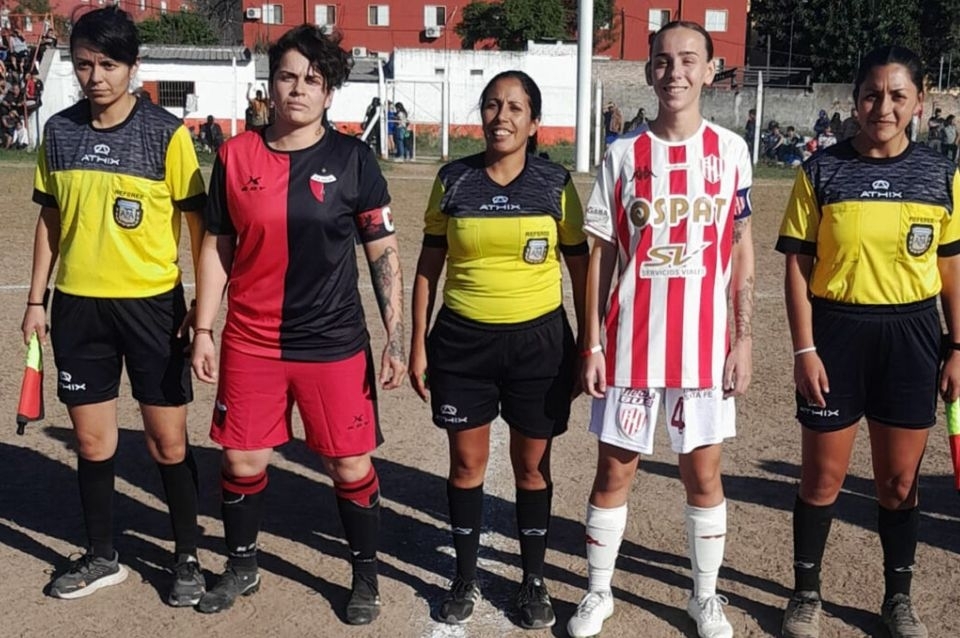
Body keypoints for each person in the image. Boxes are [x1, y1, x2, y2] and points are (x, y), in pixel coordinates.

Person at [191, 24, 405, 625]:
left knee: (349, 465)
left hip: (332, 343)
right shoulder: (235, 156)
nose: (299, 89)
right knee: (242, 461)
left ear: (329, 91)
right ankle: (242, 565)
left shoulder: (352, 159)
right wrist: (204, 328)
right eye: (288, 76)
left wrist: (394, 337)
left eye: (313, 79)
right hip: (252, 340)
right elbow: (218, 245)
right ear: (271, 84)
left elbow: (382, 248)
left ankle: (365, 575)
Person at [567, 20, 754, 638]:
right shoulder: (622, 155)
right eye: (664, 61)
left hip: (703, 350)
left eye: (688, 60)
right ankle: (598, 592)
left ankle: (706, 598)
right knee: (614, 472)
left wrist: (744, 338)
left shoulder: (731, 152)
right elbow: (600, 254)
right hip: (630, 348)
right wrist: (592, 343)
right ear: (650, 70)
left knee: (703, 476)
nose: (675, 72)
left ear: (709, 70)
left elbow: (741, 246)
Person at [19, 7, 206, 605]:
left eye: (108, 64)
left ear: (132, 65)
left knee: (167, 443)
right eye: (84, 64)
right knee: (94, 444)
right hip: (79, 308)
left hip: (153, 308)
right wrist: (36, 299)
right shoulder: (59, 132)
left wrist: (203, 311)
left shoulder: (168, 135)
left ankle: (187, 555)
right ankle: (102, 555)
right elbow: (50, 220)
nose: (95, 76)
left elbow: (200, 230)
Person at [776, 45, 960, 638]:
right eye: (871, 95)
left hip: (912, 336)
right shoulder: (821, 171)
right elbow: (798, 266)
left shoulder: (941, 174)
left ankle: (897, 599)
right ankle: (806, 594)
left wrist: (958, 347)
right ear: (855, 100)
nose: (883, 107)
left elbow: (951, 269)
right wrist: (804, 349)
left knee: (899, 484)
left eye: (898, 95)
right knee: (821, 479)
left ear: (919, 102)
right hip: (837, 335)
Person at [409, 69, 588, 629]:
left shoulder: (555, 184)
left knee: (531, 467)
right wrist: (416, 343)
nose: (501, 116)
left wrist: (589, 344)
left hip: (539, 346)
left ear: (534, 123)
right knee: (466, 465)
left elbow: (581, 272)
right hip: (463, 344)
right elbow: (428, 267)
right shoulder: (453, 180)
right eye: (491, 105)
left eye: (514, 107)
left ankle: (533, 580)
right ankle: (465, 575)